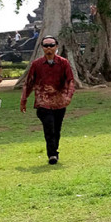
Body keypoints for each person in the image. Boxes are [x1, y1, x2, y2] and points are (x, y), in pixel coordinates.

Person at [20, 36, 75, 164]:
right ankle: (52, 155)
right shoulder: (36, 64)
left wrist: (68, 96)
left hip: (59, 102)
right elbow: (28, 83)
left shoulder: (63, 63)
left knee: (57, 129)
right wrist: (24, 99)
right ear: (42, 48)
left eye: (51, 45)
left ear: (56, 46)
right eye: (46, 45)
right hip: (42, 103)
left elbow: (70, 80)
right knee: (49, 126)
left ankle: (54, 150)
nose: (49, 48)